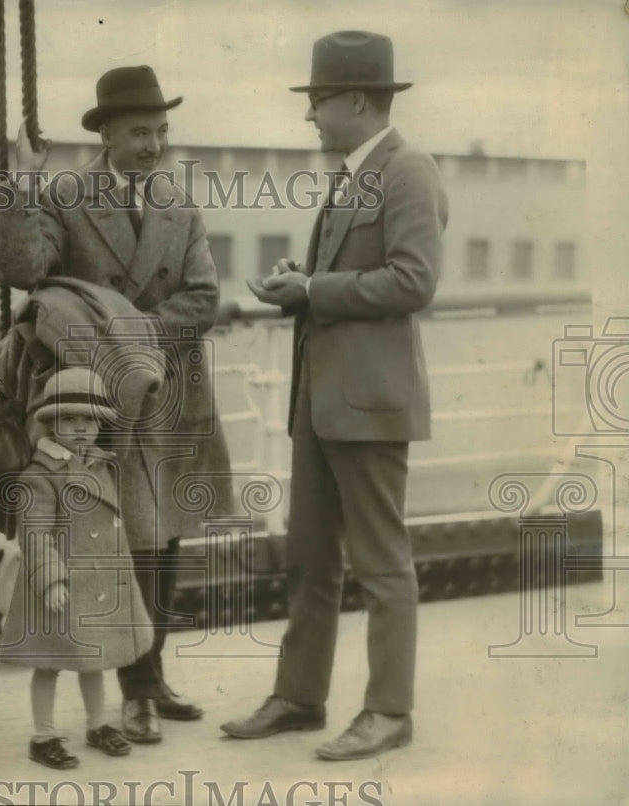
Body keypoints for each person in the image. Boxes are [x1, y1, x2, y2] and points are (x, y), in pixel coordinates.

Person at [222, 31, 448, 760]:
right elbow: (362, 277)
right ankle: (299, 697)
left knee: (382, 563)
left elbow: (414, 281)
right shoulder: (360, 172)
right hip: (321, 404)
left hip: (368, 403)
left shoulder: (408, 170)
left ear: (356, 98)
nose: (309, 116)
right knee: (310, 556)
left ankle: (389, 711)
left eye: (317, 101)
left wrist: (314, 288)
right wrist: (303, 285)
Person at [0, 65, 233, 744]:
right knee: (114, 540)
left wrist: (124, 330)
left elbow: (204, 300)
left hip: (170, 394)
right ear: (107, 134)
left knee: (164, 541)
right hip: (92, 403)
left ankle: (149, 680)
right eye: (139, 132)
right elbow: (17, 271)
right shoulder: (65, 194)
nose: (154, 144)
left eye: (161, 130)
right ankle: (133, 690)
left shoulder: (180, 205)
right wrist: (20, 182)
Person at [0, 368, 154, 770]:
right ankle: (43, 735)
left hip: (95, 583)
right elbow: (34, 532)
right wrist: (50, 580)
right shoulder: (40, 475)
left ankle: (97, 724)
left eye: (89, 420)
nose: (80, 429)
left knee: (93, 655)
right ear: (51, 423)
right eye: (69, 420)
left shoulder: (100, 463)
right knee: (48, 663)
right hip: (59, 583)